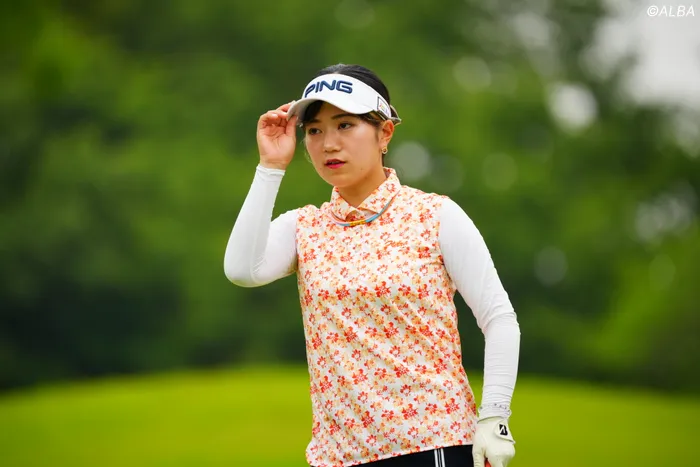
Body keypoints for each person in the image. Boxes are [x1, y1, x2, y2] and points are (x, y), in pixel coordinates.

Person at [223, 64, 520, 467]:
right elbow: (242, 269)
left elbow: (498, 318)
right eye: (315, 130)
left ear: (385, 133)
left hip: (433, 446)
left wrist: (495, 416)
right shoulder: (304, 227)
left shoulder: (434, 215)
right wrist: (270, 166)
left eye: (345, 125)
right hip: (337, 457)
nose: (328, 144)